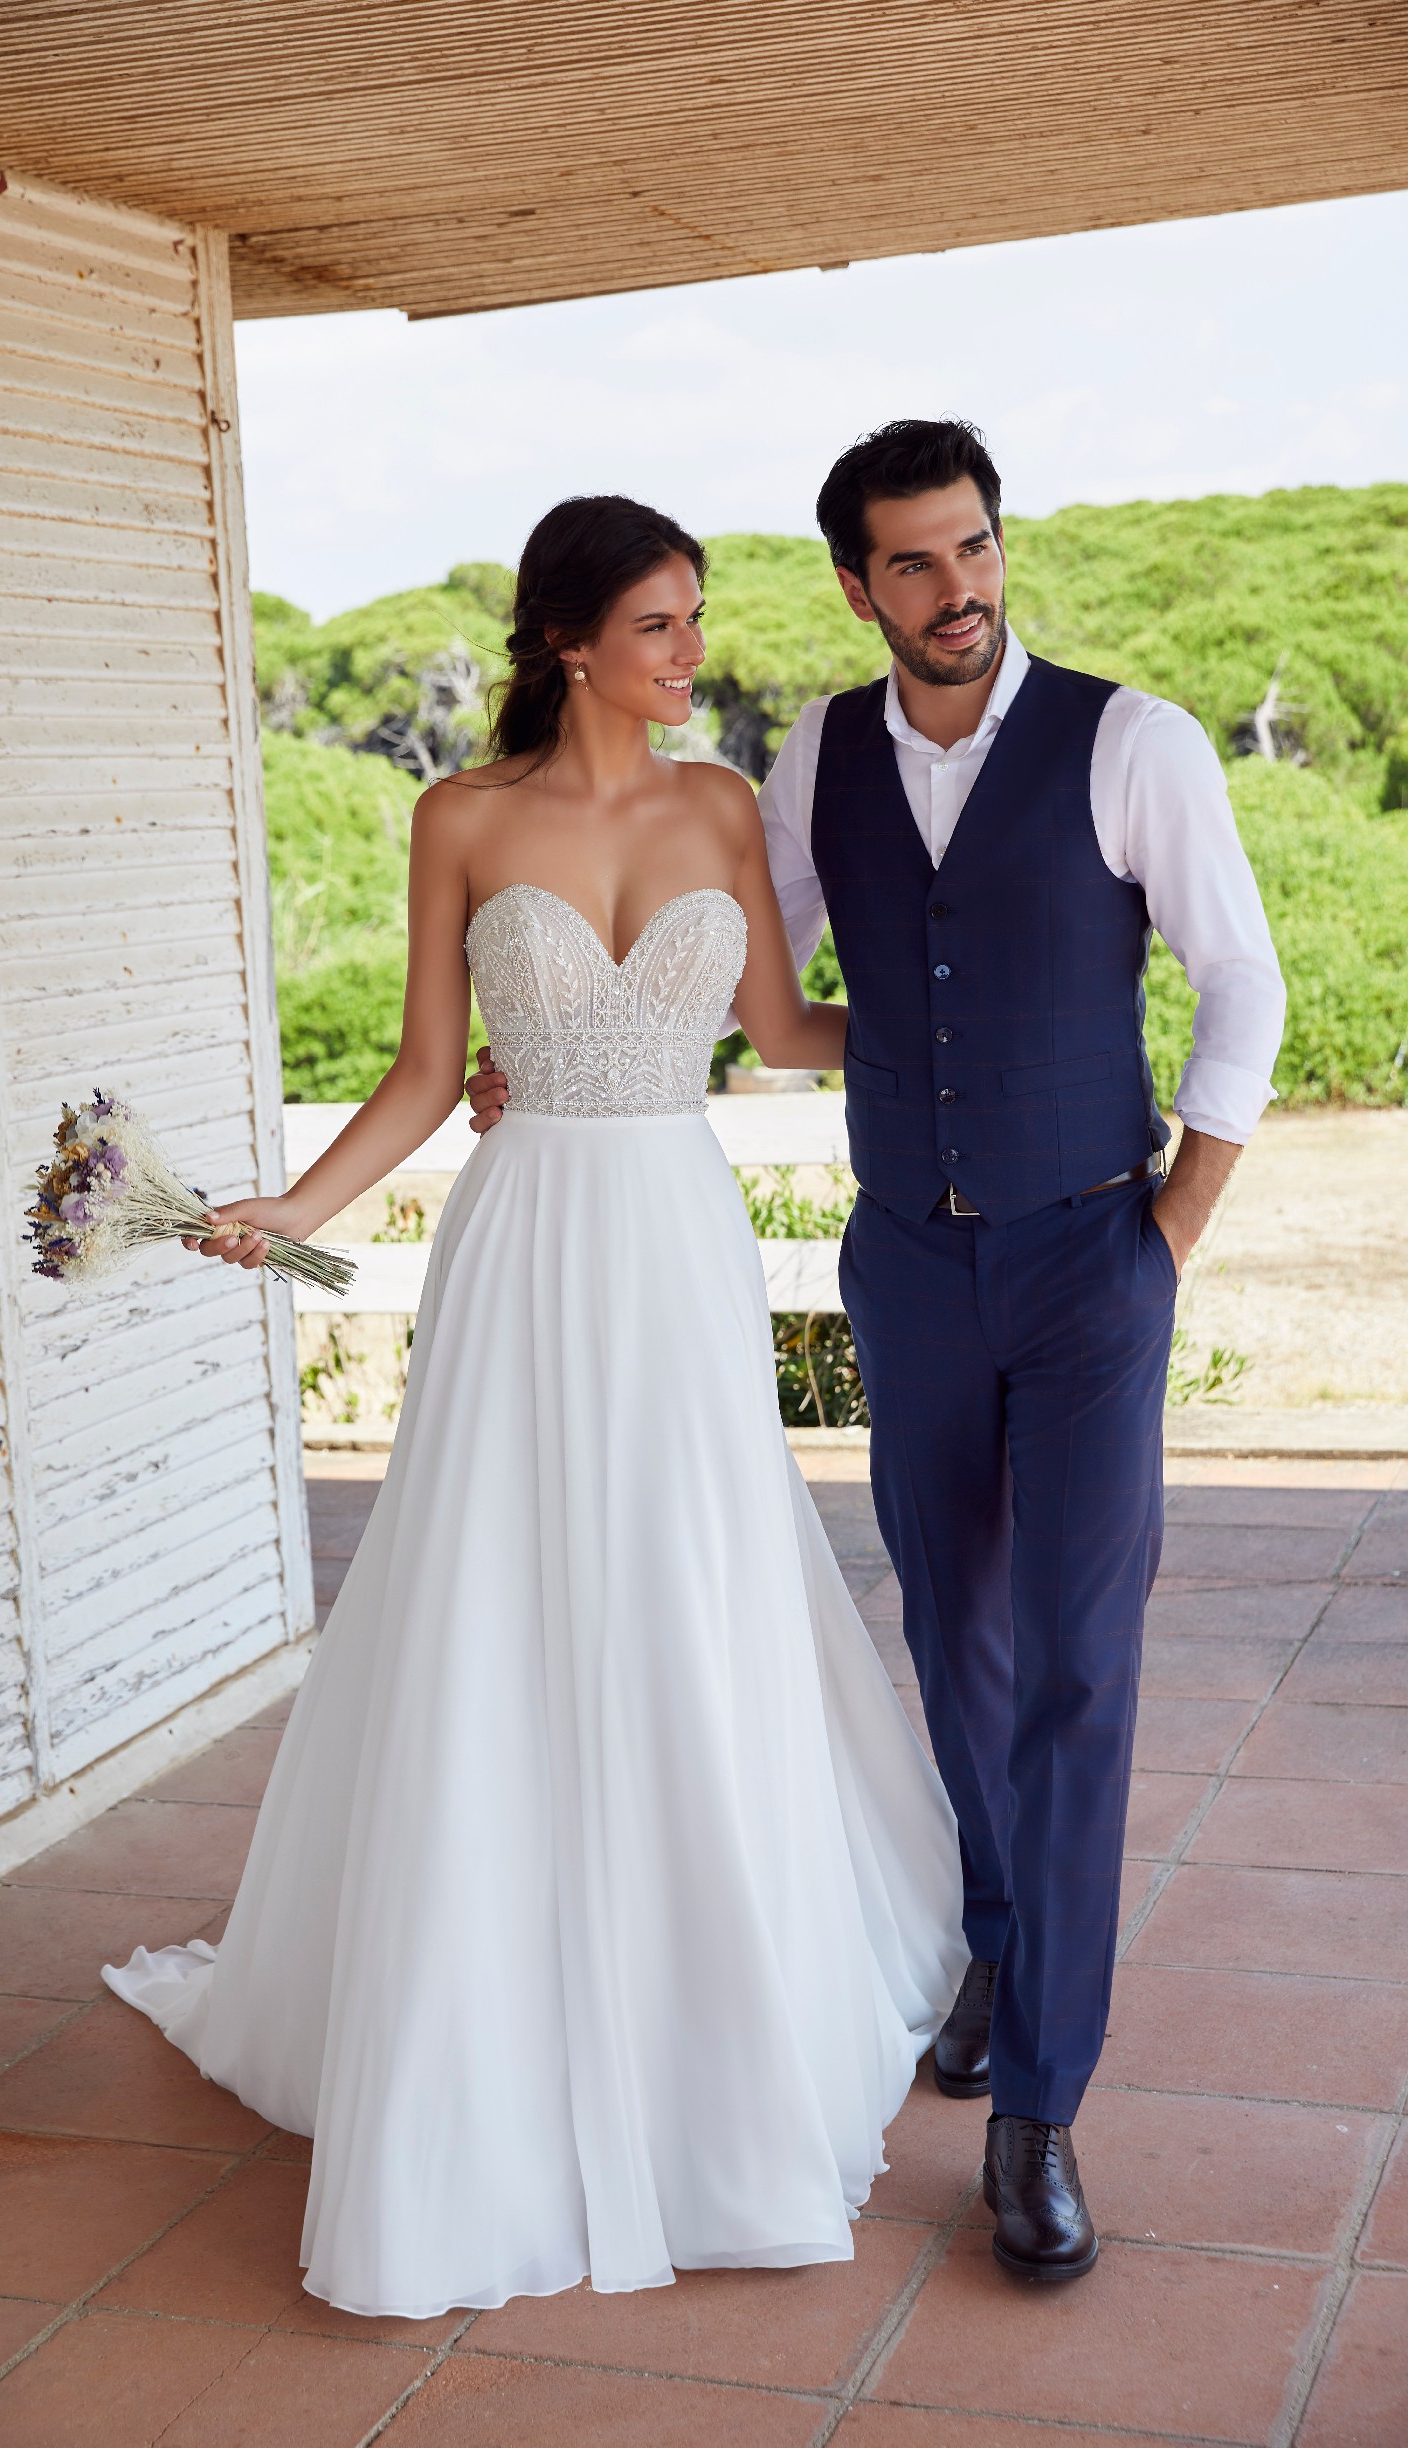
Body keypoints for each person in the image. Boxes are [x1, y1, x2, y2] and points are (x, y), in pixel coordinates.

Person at [104, 493, 968, 2320]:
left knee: (683, 1585)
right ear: (572, 639)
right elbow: (429, 1073)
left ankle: (705, 1995)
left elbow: (789, 1031)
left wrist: (977, 1010)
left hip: (672, 1238)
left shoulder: (723, 802)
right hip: (528, 1246)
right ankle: (481, 2024)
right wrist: (294, 1212)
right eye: (660, 624)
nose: (692, 653)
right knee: (499, 1605)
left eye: (697, 620)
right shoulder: (461, 819)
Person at [468, 425, 1287, 2282]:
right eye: (912, 565)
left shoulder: (1133, 742)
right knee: (955, 1632)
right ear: (857, 585)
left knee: (1078, 1667)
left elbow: (1240, 982)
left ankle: (1041, 2113)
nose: (957, 590)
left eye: (975, 550)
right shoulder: (814, 758)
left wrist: (1173, 1233)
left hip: (1097, 1254)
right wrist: (553, 1050)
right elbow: (752, 994)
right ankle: (995, 1936)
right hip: (904, 1266)